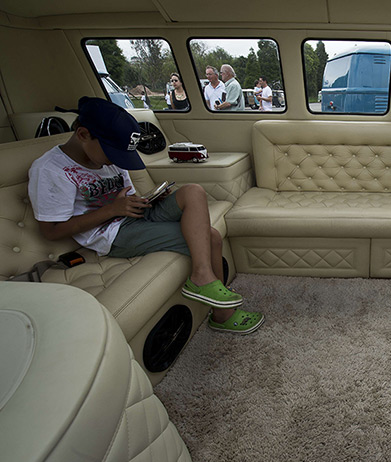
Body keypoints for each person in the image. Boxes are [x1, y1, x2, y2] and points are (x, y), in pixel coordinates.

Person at [27, 96, 264, 334]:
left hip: (133, 215)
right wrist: (112, 210)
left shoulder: (110, 156)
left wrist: (149, 199)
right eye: (112, 153)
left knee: (193, 191)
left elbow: (125, 194)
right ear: (83, 135)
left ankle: (204, 280)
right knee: (210, 236)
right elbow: (51, 231)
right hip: (112, 234)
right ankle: (220, 312)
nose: (115, 160)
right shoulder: (51, 170)